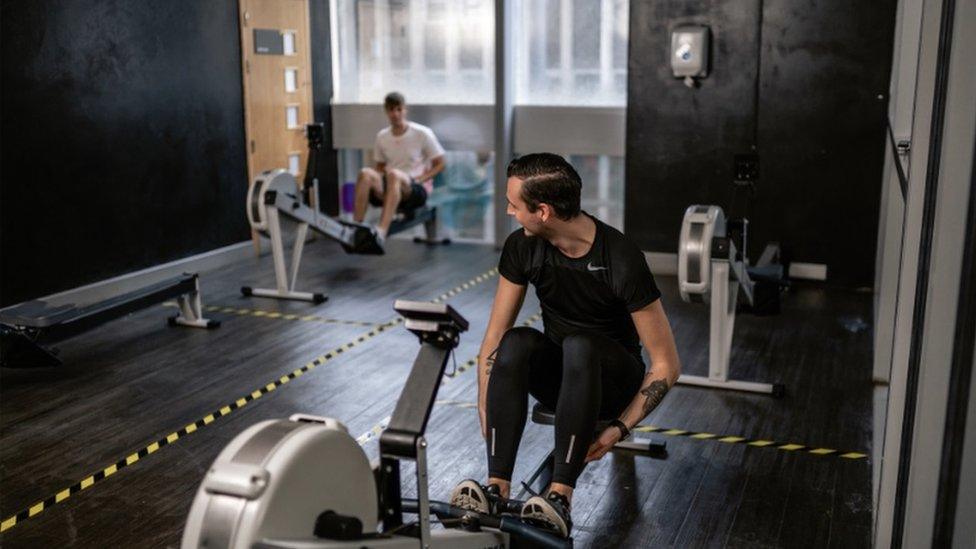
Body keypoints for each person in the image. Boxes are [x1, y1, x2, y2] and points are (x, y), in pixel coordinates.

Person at [449, 153, 681, 538]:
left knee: (581, 344)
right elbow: (494, 338)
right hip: (564, 378)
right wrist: (483, 397)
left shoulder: (621, 258)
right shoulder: (523, 247)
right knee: (517, 340)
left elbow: (666, 365)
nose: (509, 212)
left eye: (514, 205)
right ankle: (496, 487)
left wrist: (618, 429)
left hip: (611, 383)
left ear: (542, 211)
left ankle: (560, 498)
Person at [353, 92, 446, 249]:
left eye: (398, 109)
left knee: (394, 174)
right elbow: (380, 167)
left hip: (415, 188)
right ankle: (356, 226)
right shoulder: (382, 136)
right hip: (391, 184)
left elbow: (440, 163)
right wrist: (378, 185)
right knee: (365, 173)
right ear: (386, 111)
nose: (395, 114)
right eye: (391, 110)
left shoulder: (422, 133)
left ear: (405, 110)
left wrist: (421, 179)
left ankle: (382, 231)